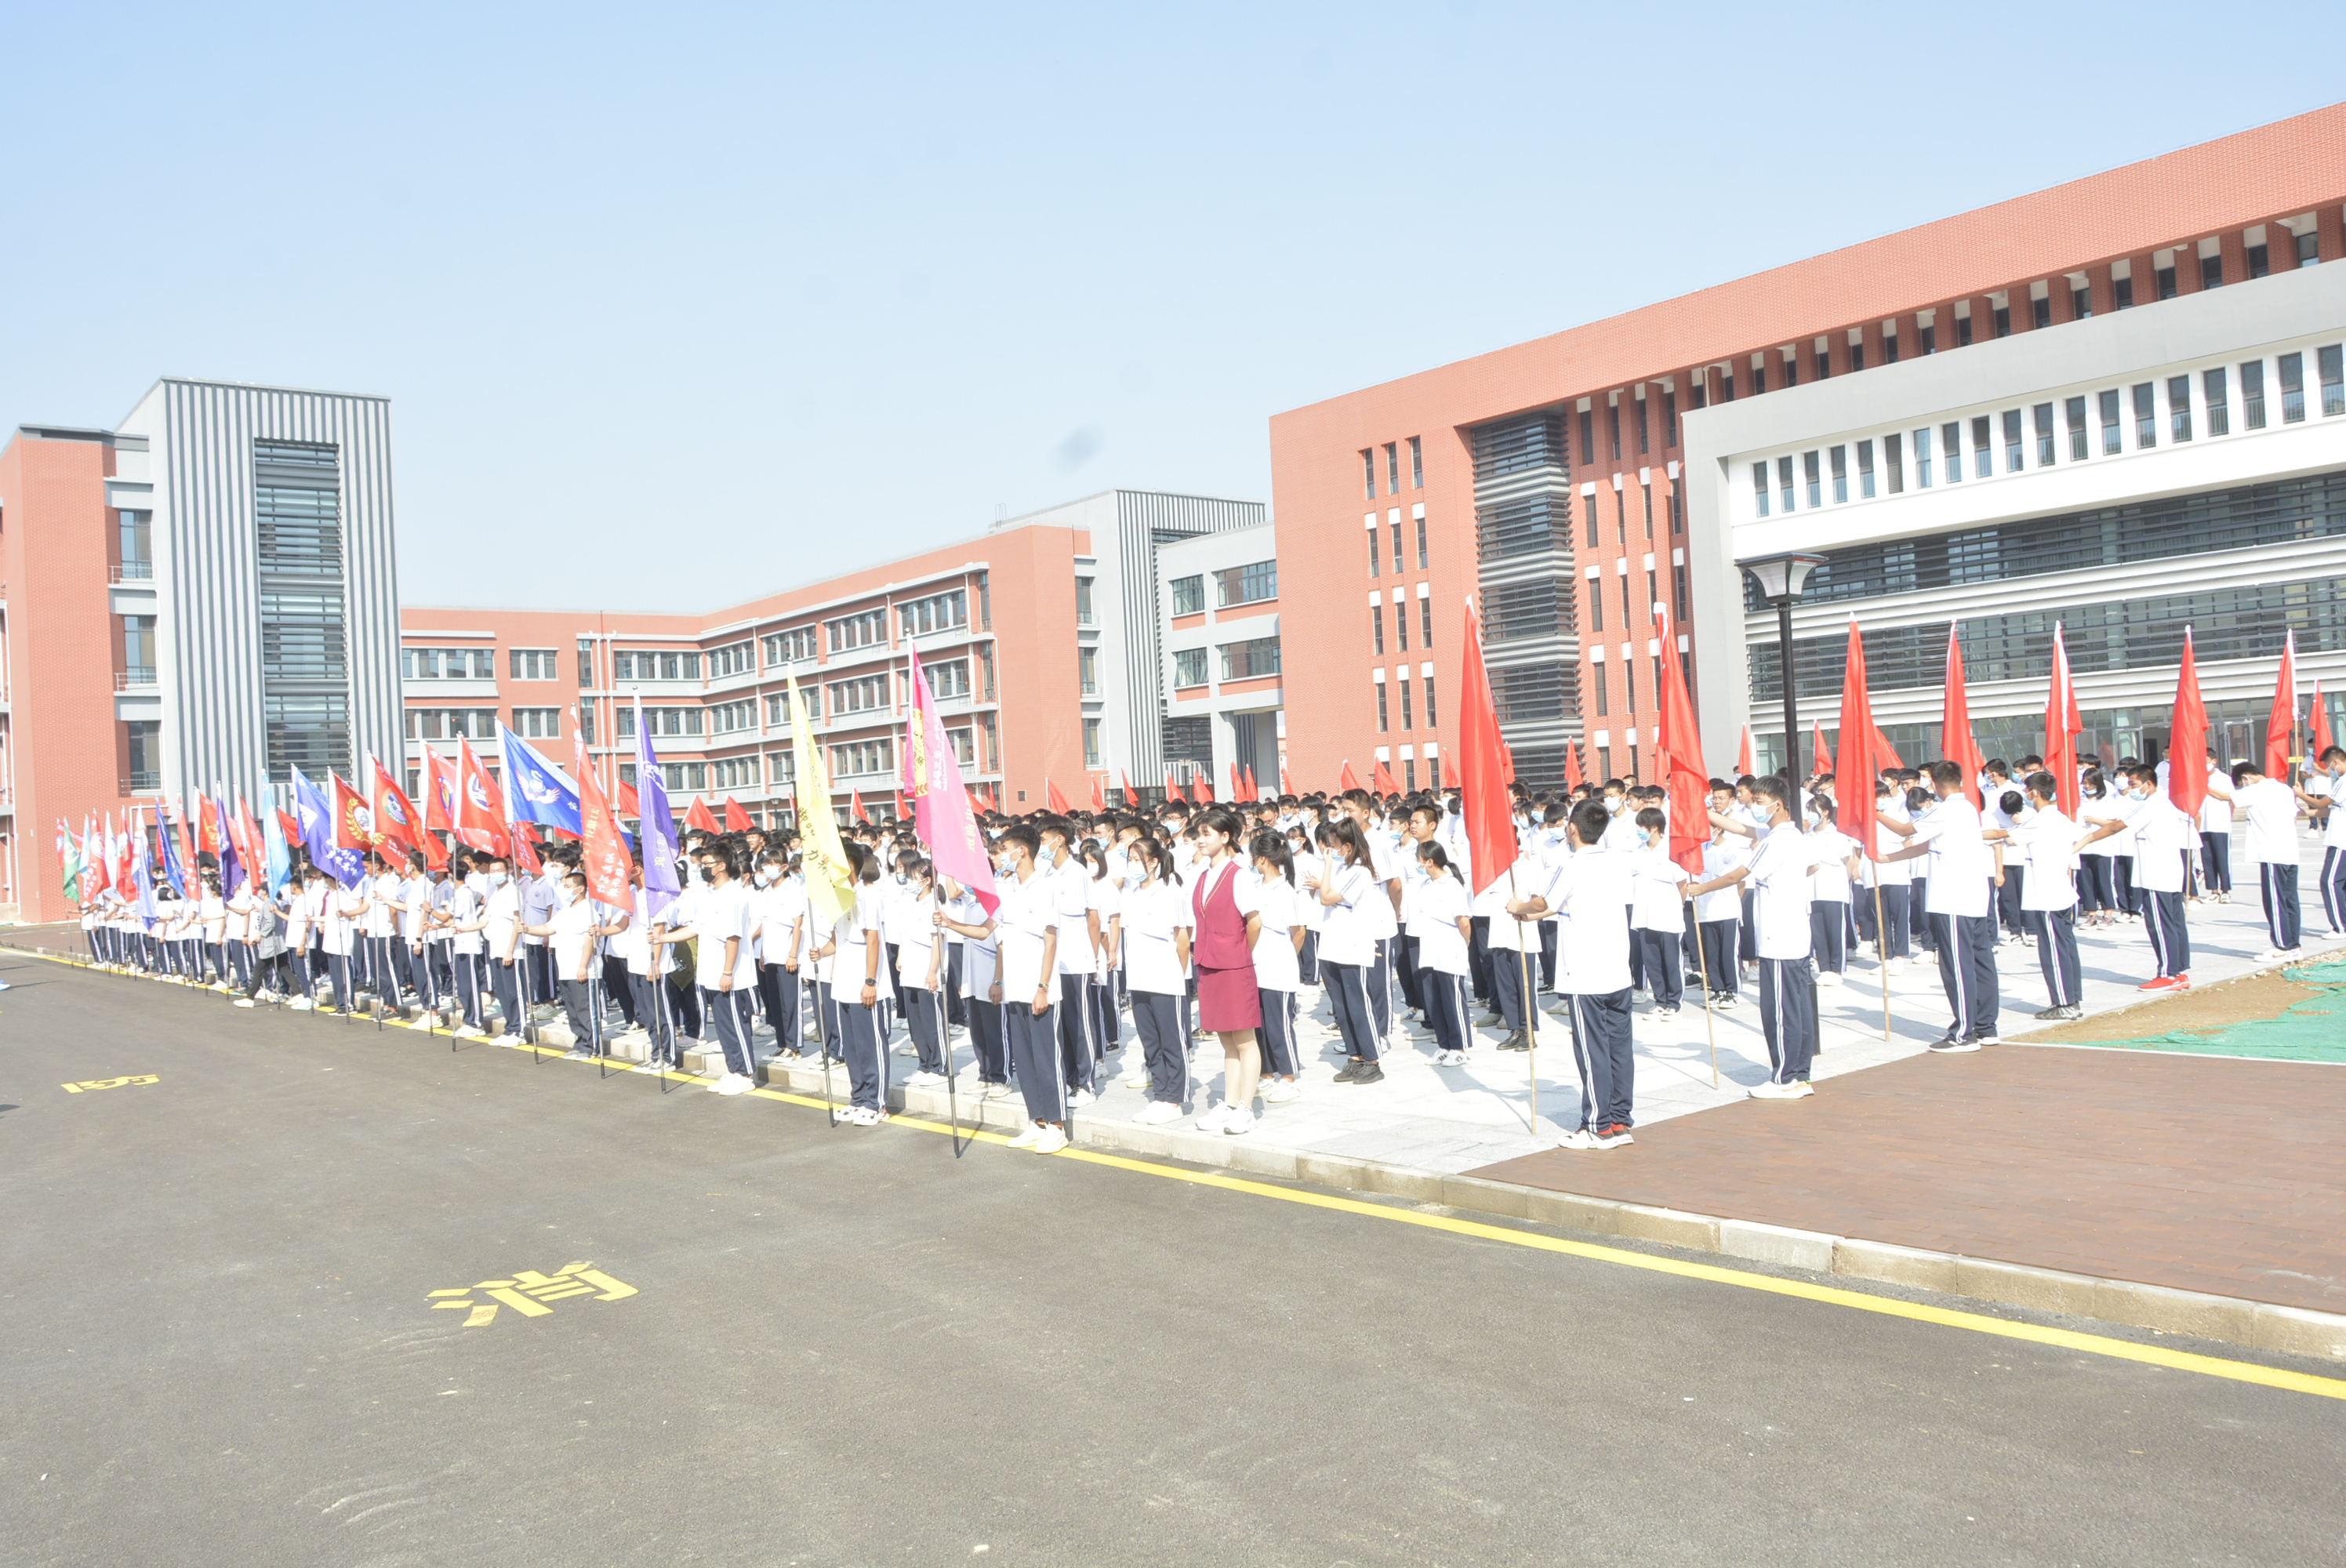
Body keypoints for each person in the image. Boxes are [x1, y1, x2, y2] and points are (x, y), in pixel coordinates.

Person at [1513, 798, 1636, 1143]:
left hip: (1586, 973)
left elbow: (1544, 901)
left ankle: (1597, 1126)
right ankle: (1619, 1119)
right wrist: (1531, 915)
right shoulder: (1617, 861)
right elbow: (1565, 906)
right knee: (1619, 1049)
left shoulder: (1572, 864)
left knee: (1592, 1050)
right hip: (1617, 969)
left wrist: (1519, 905)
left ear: (1573, 829)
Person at [1688, 779, 1816, 1099]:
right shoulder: (1787, 835)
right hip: (1793, 933)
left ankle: (1785, 1078)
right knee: (1797, 1007)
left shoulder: (1779, 841)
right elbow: (1739, 827)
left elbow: (1738, 874)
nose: (1754, 807)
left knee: (1780, 1011)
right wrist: (1697, 807)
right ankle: (1800, 1075)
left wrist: (1701, 888)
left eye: (1760, 802)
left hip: (1780, 936)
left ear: (1779, 804)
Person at [1879, 760, 1999, 1051]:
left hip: (1953, 899)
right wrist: (1888, 858)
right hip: (1972, 898)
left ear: (1934, 783)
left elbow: (1904, 829)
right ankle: (1986, 1027)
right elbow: (1928, 845)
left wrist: (1874, 814)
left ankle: (1964, 1034)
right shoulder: (1968, 808)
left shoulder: (1946, 810)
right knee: (1980, 961)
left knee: (1958, 966)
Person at [656, 842, 761, 1097]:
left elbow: (733, 938)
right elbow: (695, 928)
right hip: (712, 973)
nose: (702, 869)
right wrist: (661, 938)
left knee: (735, 1026)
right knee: (723, 1027)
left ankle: (745, 1074)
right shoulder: (711, 895)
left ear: (722, 865)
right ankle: (733, 1070)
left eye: (706, 864)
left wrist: (728, 972)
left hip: (732, 976)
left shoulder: (734, 896)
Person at [993, 825, 1070, 1152]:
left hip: (1040, 990)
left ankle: (1056, 1126)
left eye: (1005, 848)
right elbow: (988, 930)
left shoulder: (1046, 887)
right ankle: (1036, 1121)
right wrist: (950, 923)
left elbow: (1051, 942)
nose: (1002, 855)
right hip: (1015, 988)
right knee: (1024, 1061)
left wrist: (1043, 988)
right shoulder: (1009, 888)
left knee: (1046, 1059)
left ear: (1021, 850)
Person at [1188, 806, 1264, 1134]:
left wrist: (1239, 952)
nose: (1200, 840)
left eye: (1207, 834)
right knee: (1227, 1041)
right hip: (1209, 965)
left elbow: (1255, 923)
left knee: (1245, 1040)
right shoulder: (1203, 875)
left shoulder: (1240, 875)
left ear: (1225, 836)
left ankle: (1246, 1108)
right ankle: (1230, 1104)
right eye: (1198, 834)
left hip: (1234, 965)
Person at [1119, 837, 1193, 1123]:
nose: (1132, 865)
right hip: (1139, 980)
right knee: (1151, 1042)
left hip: (1166, 980)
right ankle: (1160, 1095)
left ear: (1153, 862)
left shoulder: (1170, 893)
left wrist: (1176, 975)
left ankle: (1174, 1101)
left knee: (1172, 1042)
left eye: (1137, 860)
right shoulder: (1131, 893)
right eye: (1130, 860)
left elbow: (1182, 941)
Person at [2209, 761, 2308, 960]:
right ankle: (2294, 945)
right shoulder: (2284, 788)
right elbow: (2294, 816)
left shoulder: (2256, 790)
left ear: (2246, 778)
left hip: (2272, 853)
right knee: (2290, 900)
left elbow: (2222, 796)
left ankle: (2281, 947)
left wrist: (2198, 783)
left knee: (2274, 902)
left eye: (2241, 784)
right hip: (2290, 852)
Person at [1239, 830, 1308, 1102]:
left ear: (1263, 859)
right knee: (1260, 1025)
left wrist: (1286, 957)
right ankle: (1266, 1075)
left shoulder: (1285, 891)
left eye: (1253, 856)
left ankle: (1288, 1078)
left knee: (1279, 1025)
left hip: (1278, 966)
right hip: (1257, 965)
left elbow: (1299, 932)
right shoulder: (1258, 887)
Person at [522, 869, 603, 1060]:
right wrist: (528, 929)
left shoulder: (587, 910)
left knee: (585, 1010)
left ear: (580, 889)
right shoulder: (567, 910)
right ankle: (580, 1043)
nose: (564, 890)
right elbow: (549, 928)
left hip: (583, 969)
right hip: (566, 968)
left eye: (567, 887)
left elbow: (590, 940)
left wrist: (583, 966)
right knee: (573, 1010)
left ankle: (591, 1047)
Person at [1408, 839, 1476, 1064]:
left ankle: (1460, 1048)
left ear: (1430, 861)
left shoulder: (1452, 885)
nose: (1418, 865)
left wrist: (1466, 941)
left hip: (1449, 948)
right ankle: (1444, 1045)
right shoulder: (1425, 885)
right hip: (1429, 949)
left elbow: (1463, 920)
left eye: (1420, 860)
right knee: (1434, 1000)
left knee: (1452, 999)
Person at [1627, 807, 1688, 1018]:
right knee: (1653, 964)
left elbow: (1682, 886)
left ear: (1654, 828)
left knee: (1672, 963)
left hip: (1668, 918)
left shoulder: (1671, 851)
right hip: (1644, 917)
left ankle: (1675, 1004)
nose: (1639, 831)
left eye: (1641, 827)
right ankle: (1660, 1002)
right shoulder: (1637, 853)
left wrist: (1678, 907)